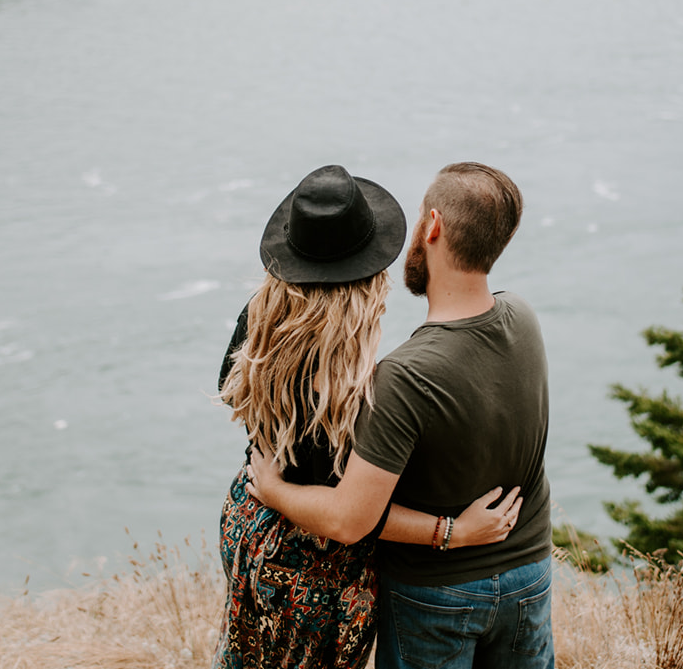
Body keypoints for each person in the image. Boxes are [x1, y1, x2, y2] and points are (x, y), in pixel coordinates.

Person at [216, 165, 523, 669]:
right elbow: (350, 517)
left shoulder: (261, 317)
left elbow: (233, 396)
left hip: (248, 528)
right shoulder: (353, 386)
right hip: (314, 572)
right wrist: (450, 531)